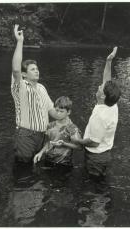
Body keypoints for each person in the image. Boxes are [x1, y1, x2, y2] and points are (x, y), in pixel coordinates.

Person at [11, 24, 61, 164]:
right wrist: (20, 41)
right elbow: (15, 69)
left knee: (36, 167)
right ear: (24, 74)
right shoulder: (20, 86)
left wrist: (66, 118)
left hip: (42, 137)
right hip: (26, 136)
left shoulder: (41, 88)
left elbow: (53, 112)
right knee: (23, 168)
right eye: (33, 69)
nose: (37, 71)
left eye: (37, 68)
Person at [71, 47, 121, 178]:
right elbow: (107, 81)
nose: (99, 86)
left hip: (96, 158)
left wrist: (77, 140)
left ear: (103, 96)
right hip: (104, 154)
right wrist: (108, 61)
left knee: (93, 190)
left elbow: (94, 142)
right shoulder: (112, 104)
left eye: (101, 88)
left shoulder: (100, 116)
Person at [33, 96, 82, 168]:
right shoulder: (50, 125)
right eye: (57, 110)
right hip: (49, 160)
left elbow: (79, 147)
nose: (58, 113)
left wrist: (64, 144)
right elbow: (49, 142)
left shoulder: (72, 128)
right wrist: (40, 153)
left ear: (68, 112)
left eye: (61, 111)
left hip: (64, 163)